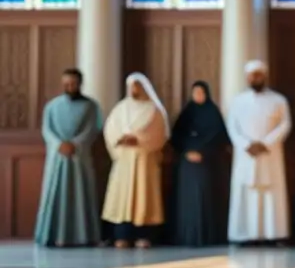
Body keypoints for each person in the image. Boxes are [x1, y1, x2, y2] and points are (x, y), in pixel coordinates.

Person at [34, 68, 103, 247]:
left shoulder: (91, 106)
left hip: (79, 159)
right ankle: (52, 236)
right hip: (57, 158)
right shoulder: (52, 106)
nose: (69, 86)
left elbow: (92, 129)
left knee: (80, 194)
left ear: (80, 84)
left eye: (73, 84)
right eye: (66, 84)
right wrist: (59, 144)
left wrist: (75, 144)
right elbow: (46, 130)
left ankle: (83, 237)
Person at [226, 61, 292, 245]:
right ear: (247, 77)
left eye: (259, 74)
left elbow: (285, 124)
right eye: (252, 75)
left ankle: (274, 235)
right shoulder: (238, 100)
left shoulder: (279, 100)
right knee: (246, 193)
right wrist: (246, 144)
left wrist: (265, 143)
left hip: (270, 154)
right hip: (245, 155)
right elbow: (232, 126)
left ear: (265, 76)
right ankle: (244, 235)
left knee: (271, 194)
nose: (255, 78)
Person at [101, 73, 169, 249]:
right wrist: (120, 139)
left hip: (144, 161)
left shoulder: (154, 110)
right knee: (122, 199)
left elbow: (158, 134)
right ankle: (121, 236)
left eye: (137, 86)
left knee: (143, 198)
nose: (134, 89)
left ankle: (143, 236)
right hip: (124, 161)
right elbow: (110, 130)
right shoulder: (121, 109)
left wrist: (138, 139)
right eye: (131, 86)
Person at [170, 81, 229, 247]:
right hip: (187, 163)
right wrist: (188, 151)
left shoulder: (213, 113)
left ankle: (208, 236)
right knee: (188, 201)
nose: (198, 96)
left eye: (201, 93)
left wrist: (203, 151)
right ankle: (187, 236)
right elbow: (176, 137)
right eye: (195, 93)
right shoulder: (186, 114)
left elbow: (219, 137)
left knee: (206, 199)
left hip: (209, 163)